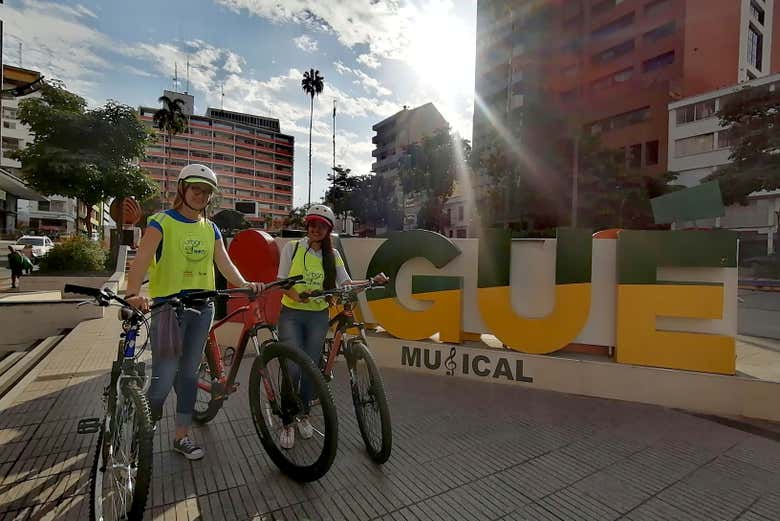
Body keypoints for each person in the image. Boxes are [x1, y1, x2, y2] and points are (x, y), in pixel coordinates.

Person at [125, 164, 263, 460]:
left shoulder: (210, 228)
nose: (200, 195)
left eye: (206, 192)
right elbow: (141, 261)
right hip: (168, 309)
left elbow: (224, 263)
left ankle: (181, 436)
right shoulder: (161, 222)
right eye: (195, 189)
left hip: (203, 308)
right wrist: (132, 293)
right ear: (182, 189)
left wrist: (244, 284)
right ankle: (141, 435)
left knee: (188, 375)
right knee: (163, 377)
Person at [276, 204, 387, 448]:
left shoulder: (332, 255)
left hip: (318, 316)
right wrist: (298, 296)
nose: (316, 229)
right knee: (292, 368)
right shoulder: (292, 248)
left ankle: (304, 414)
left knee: (310, 368)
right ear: (307, 226)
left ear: (328, 231)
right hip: (291, 314)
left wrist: (372, 281)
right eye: (313, 224)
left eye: (322, 226)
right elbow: (282, 281)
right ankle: (287, 421)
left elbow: (345, 283)